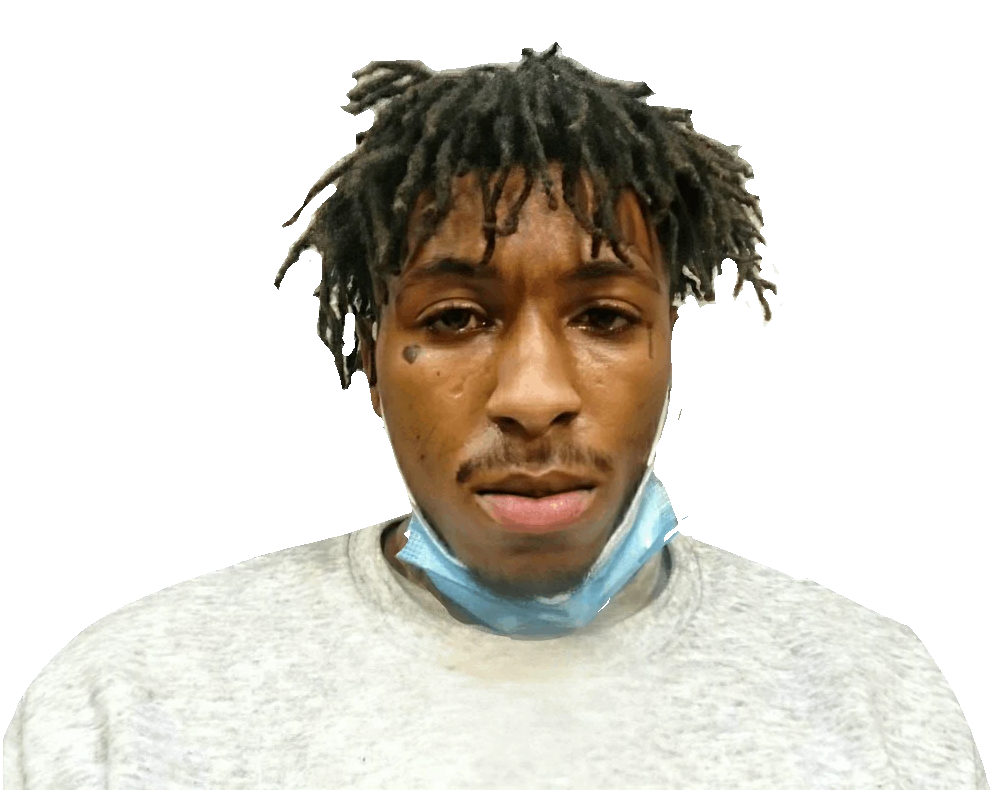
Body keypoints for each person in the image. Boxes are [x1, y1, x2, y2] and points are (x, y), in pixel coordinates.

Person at [3, 46, 982, 788]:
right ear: (371, 357)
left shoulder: (871, 693)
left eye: (604, 317)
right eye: (455, 319)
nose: (532, 395)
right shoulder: (136, 702)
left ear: (668, 347)